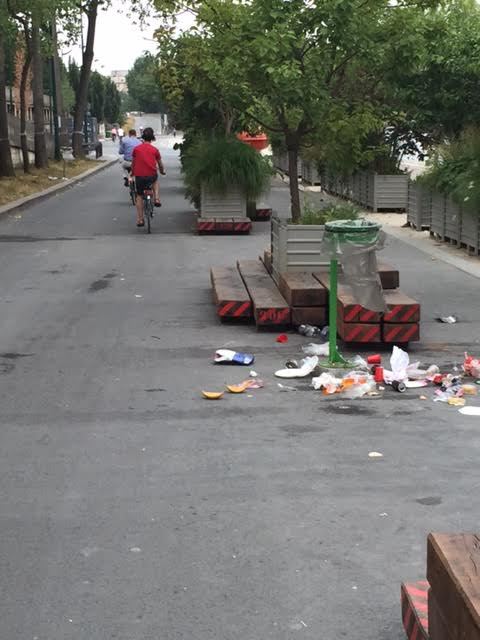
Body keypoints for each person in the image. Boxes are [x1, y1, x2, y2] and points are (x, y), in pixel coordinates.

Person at [131, 127, 166, 227]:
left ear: (143, 138)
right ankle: (157, 199)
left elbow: (133, 163)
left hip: (140, 177)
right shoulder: (155, 150)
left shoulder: (136, 149)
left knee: (139, 196)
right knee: (155, 181)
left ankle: (140, 219)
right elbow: (160, 164)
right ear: (152, 138)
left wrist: (132, 173)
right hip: (151, 175)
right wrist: (162, 171)